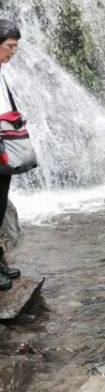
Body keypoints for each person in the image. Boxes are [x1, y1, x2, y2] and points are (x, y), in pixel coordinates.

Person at [0, 21, 22, 291]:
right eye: (9, 46)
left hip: (4, 145)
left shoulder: (1, 72)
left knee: (0, 207)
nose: (12, 52)